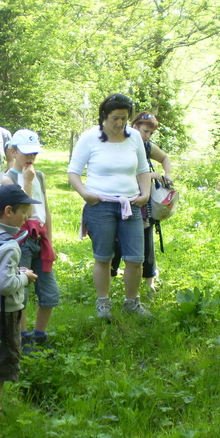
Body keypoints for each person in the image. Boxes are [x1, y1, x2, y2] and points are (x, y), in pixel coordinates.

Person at [66, 94, 152, 320]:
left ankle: (132, 303)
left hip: (131, 205)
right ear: (104, 116)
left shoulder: (134, 137)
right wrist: (85, 194)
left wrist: (145, 194)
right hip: (100, 205)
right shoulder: (90, 137)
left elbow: (143, 170)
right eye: (115, 118)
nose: (119, 123)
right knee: (104, 257)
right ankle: (103, 303)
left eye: (124, 118)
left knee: (136, 258)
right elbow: (73, 172)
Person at [0, 185, 39, 400]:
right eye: (23, 211)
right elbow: (6, 285)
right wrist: (25, 277)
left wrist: (14, 272)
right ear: (9, 211)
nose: (26, 217)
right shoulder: (9, 246)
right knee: (3, 360)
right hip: (4, 311)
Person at [2, 129, 60, 351]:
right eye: (26, 153)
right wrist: (26, 181)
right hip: (21, 239)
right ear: (13, 151)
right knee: (21, 290)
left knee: (49, 289)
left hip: (41, 237)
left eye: (34, 153)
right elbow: (22, 210)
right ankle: (22, 337)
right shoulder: (8, 178)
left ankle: (40, 334)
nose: (31, 158)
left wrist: (50, 239)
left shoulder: (40, 176)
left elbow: (44, 209)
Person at [110, 111, 174, 293]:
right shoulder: (122, 142)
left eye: (150, 133)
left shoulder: (146, 146)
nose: (147, 136)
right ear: (134, 126)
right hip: (120, 198)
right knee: (115, 242)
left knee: (146, 241)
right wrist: (151, 175)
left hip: (143, 203)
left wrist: (167, 175)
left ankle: (149, 283)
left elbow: (165, 158)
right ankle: (109, 277)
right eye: (145, 131)